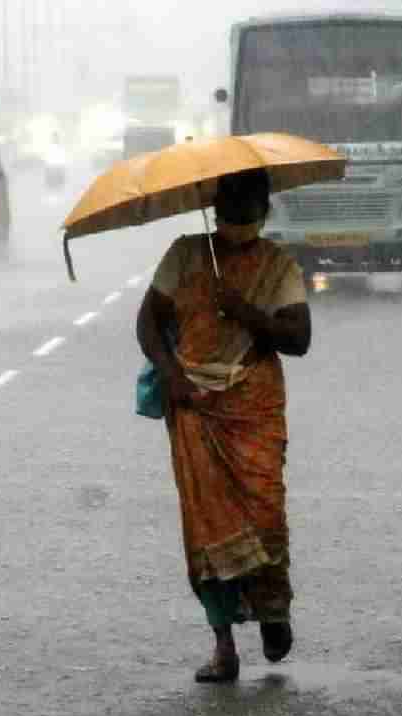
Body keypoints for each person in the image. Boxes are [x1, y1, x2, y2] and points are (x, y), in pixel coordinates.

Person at [136, 168, 312, 683]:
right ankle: (224, 646)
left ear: (264, 214)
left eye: (249, 214)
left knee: (265, 514)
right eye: (231, 213)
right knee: (205, 529)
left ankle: (273, 611)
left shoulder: (277, 266)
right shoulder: (186, 255)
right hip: (192, 406)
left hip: (253, 406)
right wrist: (173, 378)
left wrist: (244, 311)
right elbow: (147, 322)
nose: (239, 224)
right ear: (216, 211)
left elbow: (299, 339)